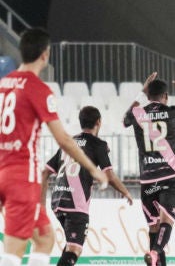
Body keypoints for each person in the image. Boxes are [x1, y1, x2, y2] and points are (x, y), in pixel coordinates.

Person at [0, 28, 108, 266]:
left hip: (3, 173)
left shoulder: (3, 84)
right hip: (21, 178)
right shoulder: (37, 88)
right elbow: (64, 140)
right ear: (45, 55)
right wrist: (93, 169)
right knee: (13, 251)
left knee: (45, 238)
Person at [123, 71, 175, 266]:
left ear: (148, 95)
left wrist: (140, 93)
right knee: (166, 224)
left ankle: (155, 254)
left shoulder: (138, 114)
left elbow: (124, 120)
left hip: (148, 180)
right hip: (169, 178)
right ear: (166, 97)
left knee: (154, 229)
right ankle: (155, 252)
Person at [42, 106, 133, 266]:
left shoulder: (68, 143)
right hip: (76, 203)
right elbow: (109, 176)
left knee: (71, 245)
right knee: (74, 250)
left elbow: (45, 172)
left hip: (57, 201)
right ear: (99, 122)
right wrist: (125, 192)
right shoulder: (98, 144)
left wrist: (41, 203)